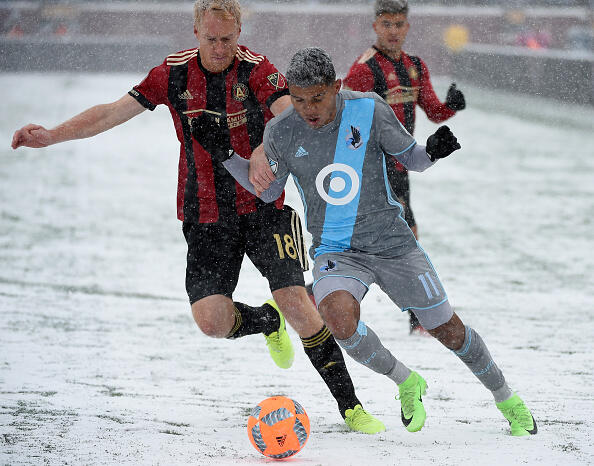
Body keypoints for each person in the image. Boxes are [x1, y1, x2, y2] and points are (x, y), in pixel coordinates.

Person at [10, 0, 385, 435]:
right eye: (212, 39)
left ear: (238, 35)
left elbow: (290, 112)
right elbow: (114, 112)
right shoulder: (171, 73)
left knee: (297, 302)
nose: (221, 47)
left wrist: (267, 147)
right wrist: (52, 136)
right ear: (195, 32)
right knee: (212, 321)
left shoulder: (257, 69)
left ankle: (351, 406)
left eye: (228, 39)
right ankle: (266, 322)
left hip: (264, 205)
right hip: (204, 212)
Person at [231, 47, 537, 436]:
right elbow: (267, 190)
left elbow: (414, 159)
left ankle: (506, 397)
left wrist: (435, 151)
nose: (308, 108)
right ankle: (406, 381)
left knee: (448, 329)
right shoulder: (281, 130)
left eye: (318, 97)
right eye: (300, 98)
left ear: (337, 87)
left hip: (393, 243)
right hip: (336, 250)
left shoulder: (368, 109)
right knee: (338, 320)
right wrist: (227, 155)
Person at [341, 0, 467, 335]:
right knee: (402, 238)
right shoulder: (363, 70)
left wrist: (451, 107)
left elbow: (433, 111)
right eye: (387, 24)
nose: (393, 31)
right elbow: (345, 123)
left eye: (399, 24)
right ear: (375, 27)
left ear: (407, 27)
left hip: (400, 168)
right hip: (373, 170)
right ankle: (420, 317)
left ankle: (320, 297)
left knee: (389, 239)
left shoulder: (415, 66)